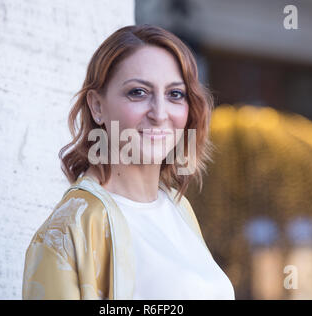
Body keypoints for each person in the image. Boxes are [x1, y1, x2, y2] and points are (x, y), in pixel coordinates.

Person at [22, 24, 235, 300]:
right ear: (97, 106)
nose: (160, 114)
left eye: (175, 94)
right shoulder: (67, 231)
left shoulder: (178, 208)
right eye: (138, 92)